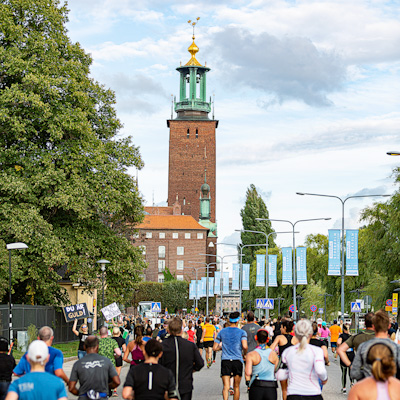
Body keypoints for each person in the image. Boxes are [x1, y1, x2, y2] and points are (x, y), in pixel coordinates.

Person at [276, 319, 328, 400]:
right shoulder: (317, 351)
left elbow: (282, 373)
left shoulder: (288, 352)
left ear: (295, 334)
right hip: (313, 393)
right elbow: (320, 371)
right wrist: (324, 379)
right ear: (311, 334)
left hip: (294, 393)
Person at [160, 317, 204, 400]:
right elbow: (200, 363)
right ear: (181, 330)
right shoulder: (190, 346)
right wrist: (191, 369)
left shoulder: (162, 346)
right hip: (185, 384)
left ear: (168, 330)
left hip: (167, 384)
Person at [351, 310, 400, 381]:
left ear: (373, 326)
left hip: (368, 387)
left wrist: (365, 377)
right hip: (390, 388)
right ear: (389, 326)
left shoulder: (363, 347)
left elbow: (354, 373)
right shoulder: (396, 348)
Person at [69, 335, 120, 400]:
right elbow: (117, 381)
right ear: (97, 347)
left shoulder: (78, 364)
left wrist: (81, 393)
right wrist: (107, 387)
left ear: (84, 347)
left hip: (84, 397)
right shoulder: (106, 361)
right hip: (101, 396)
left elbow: (71, 387)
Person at [213, 311, 248, 400]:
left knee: (226, 386)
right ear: (238, 321)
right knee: (236, 387)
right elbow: (244, 346)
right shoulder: (242, 332)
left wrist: (222, 348)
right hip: (237, 360)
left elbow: (214, 348)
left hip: (225, 360)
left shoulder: (222, 332)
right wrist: (244, 354)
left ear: (229, 321)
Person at [245, 329, 279, 400]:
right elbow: (275, 369)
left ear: (255, 338)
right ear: (268, 339)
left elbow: (248, 372)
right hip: (271, 386)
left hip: (257, 386)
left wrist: (248, 382)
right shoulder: (273, 354)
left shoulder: (251, 354)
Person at [269, 319, 295, 400]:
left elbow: (271, 348)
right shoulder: (295, 338)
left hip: (283, 365)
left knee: (284, 389)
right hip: (293, 365)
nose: (280, 329)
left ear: (284, 327)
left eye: (281, 327)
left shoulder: (279, 337)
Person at [337, 325, 354, 393]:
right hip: (351, 354)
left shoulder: (341, 336)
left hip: (344, 354)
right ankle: (352, 382)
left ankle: (344, 387)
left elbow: (338, 342)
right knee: (351, 368)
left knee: (344, 371)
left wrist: (340, 346)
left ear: (343, 329)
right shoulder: (351, 336)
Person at [112, 327, 127, 397]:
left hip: (110, 357)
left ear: (112, 333)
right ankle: (115, 390)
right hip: (118, 358)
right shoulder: (122, 340)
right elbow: (124, 350)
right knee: (117, 374)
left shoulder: (110, 340)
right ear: (119, 333)